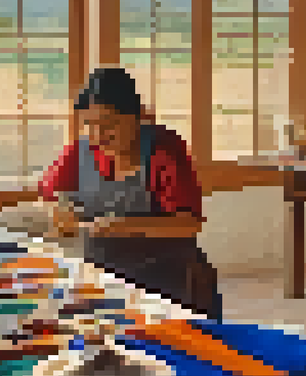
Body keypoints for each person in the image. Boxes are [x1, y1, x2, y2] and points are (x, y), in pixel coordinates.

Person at [39, 67, 219, 317]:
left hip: (166, 283)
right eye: (89, 125)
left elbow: (189, 224)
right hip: (102, 280)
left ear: (138, 116)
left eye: (109, 125)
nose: (98, 136)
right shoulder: (80, 151)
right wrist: (59, 210)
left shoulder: (163, 151)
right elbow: (49, 193)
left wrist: (121, 225)